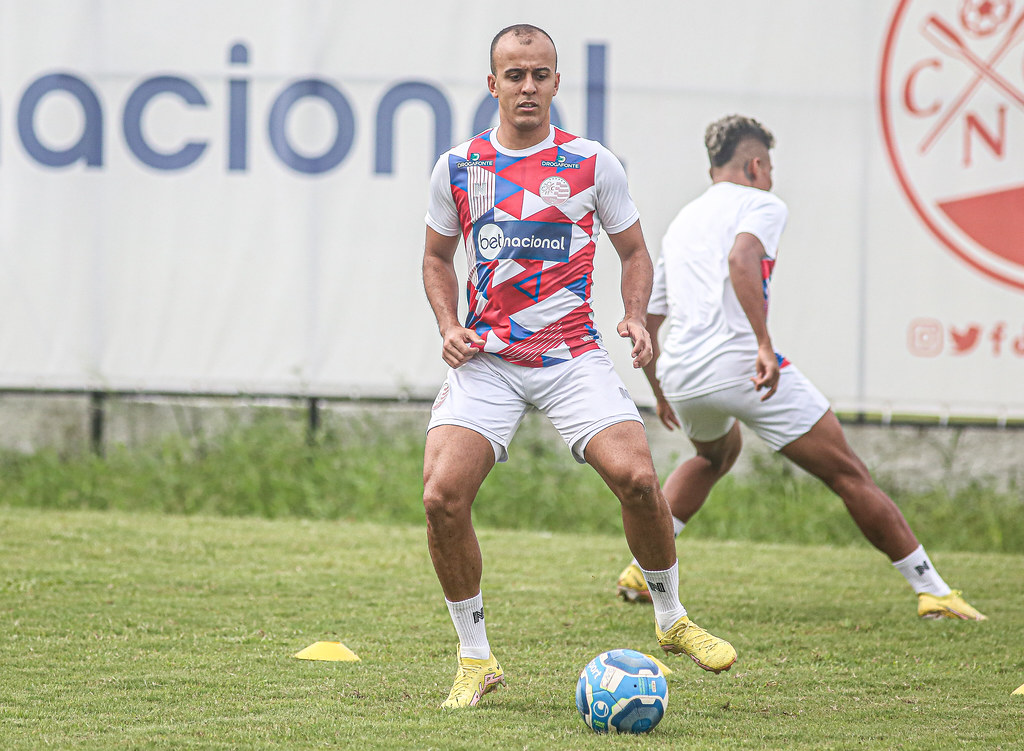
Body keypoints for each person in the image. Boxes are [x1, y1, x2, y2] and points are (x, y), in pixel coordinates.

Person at [422, 25, 737, 709]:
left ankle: (670, 616)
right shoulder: (458, 167)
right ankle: (475, 659)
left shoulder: (593, 164)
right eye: (515, 75)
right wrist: (449, 325)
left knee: (636, 476)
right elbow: (435, 259)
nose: (528, 86)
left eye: (540, 74)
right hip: (488, 359)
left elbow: (635, 253)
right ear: (493, 84)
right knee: (442, 496)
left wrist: (632, 315)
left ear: (557, 83)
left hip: (571, 354)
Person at [615, 114, 986, 623]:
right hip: (742, 365)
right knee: (849, 473)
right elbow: (743, 259)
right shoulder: (762, 202)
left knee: (715, 455)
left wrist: (659, 388)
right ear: (756, 164)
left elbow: (653, 313)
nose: (771, 178)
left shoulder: (683, 220)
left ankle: (642, 567)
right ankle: (934, 591)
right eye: (769, 168)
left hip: (681, 372)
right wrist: (764, 345)